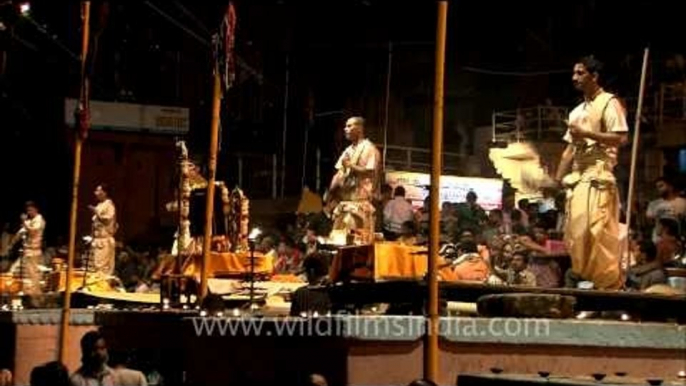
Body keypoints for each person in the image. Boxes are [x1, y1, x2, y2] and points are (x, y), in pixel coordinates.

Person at [555, 56, 629, 290]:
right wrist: (556, 180)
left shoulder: (609, 103)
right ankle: (587, 281)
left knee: (597, 231)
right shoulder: (576, 111)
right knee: (576, 234)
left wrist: (588, 134)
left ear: (594, 76)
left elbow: (620, 138)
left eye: (580, 73)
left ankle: (608, 284)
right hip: (578, 177)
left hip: (599, 174)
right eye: (574, 73)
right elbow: (569, 150)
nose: (574, 78)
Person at [327, 117, 380, 239]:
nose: (346, 129)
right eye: (346, 126)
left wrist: (351, 166)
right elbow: (339, 173)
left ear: (360, 128)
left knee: (354, 239)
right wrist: (330, 192)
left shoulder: (369, 148)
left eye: (349, 126)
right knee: (337, 237)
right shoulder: (348, 150)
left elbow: (369, 171)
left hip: (360, 203)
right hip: (344, 202)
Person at [9, 201, 46, 293]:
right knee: (12, 271)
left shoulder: (39, 220)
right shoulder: (29, 221)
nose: (29, 212)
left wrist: (24, 222)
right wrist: (11, 244)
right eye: (27, 210)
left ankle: (36, 295)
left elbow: (33, 231)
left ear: (36, 209)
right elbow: (20, 233)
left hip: (34, 252)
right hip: (26, 251)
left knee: (33, 275)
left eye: (30, 210)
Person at [646, 176, 686, 244]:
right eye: (657, 187)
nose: (659, 189)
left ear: (670, 187)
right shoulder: (653, 204)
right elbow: (649, 221)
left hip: (677, 240)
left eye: (661, 186)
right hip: (658, 240)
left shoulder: (682, 203)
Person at [88, 184, 117, 276]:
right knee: (94, 267)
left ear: (104, 193)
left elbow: (107, 220)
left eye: (98, 191)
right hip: (97, 240)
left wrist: (96, 212)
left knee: (101, 268)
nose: (95, 193)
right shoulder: (100, 205)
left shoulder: (109, 205)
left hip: (104, 241)